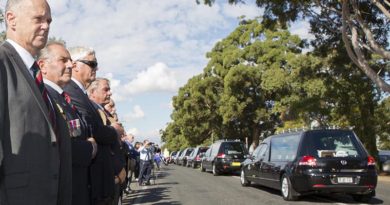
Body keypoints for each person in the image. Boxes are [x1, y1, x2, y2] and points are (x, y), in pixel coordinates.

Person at [0, 0, 72, 204]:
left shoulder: (36, 76)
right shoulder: (2, 62)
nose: (46, 26)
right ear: (11, 19)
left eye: (49, 20)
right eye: (38, 19)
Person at [38, 41, 98, 205]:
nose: (70, 65)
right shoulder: (44, 97)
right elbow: (59, 144)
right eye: (63, 60)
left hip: (77, 187)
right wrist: (90, 147)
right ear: (43, 66)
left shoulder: (63, 97)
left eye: (70, 60)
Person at [63, 47, 122, 205]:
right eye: (92, 63)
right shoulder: (70, 90)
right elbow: (93, 129)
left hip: (98, 182)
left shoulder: (80, 93)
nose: (96, 68)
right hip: (88, 183)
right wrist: (114, 131)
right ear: (75, 65)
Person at [88, 78, 126, 205]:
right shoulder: (92, 109)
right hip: (104, 179)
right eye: (106, 89)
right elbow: (101, 139)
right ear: (92, 92)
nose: (109, 93)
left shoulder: (103, 112)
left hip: (111, 177)